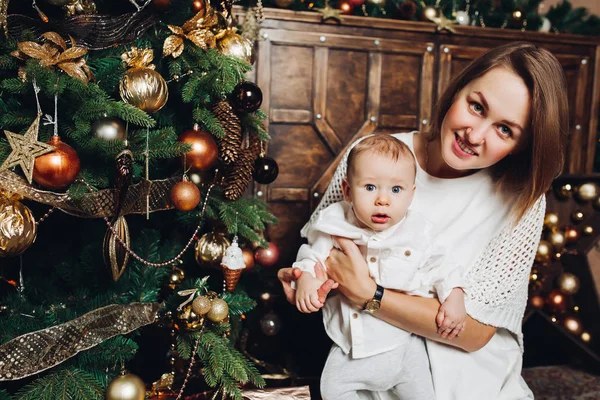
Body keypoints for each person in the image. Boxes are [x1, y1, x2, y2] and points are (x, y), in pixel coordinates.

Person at [278, 41, 569, 399]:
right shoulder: (372, 157)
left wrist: (369, 294)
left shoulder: (521, 197)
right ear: (458, 89)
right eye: (476, 107)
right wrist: (305, 278)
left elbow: (475, 333)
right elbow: (328, 253)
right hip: (370, 371)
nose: (474, 136)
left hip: (471, 383)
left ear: (522, 146)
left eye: (505, 130)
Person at [292, 135, 466, 399]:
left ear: (411, 195)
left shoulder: (418, 232)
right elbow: (312, 255)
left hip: (406, 345)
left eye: (396, 190)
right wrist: (306, 279)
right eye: (370, 187)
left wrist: (454, 296)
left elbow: (442, 268)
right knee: (332, 388)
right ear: (348, 191)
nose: (383, 200)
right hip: (352, 347)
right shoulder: (334, 222)